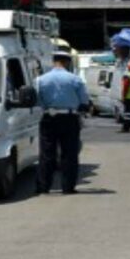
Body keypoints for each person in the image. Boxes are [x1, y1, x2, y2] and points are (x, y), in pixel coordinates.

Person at [36, 52, 90, 195]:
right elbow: (84, 100)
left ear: (54, 62)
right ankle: (68, 187)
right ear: (67, 62)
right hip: (69, 118)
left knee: (47, 153)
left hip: (49, 117)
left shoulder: (40, 80)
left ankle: (44, 187)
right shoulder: (75, 79)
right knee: (69, 154)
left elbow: (38, 100)